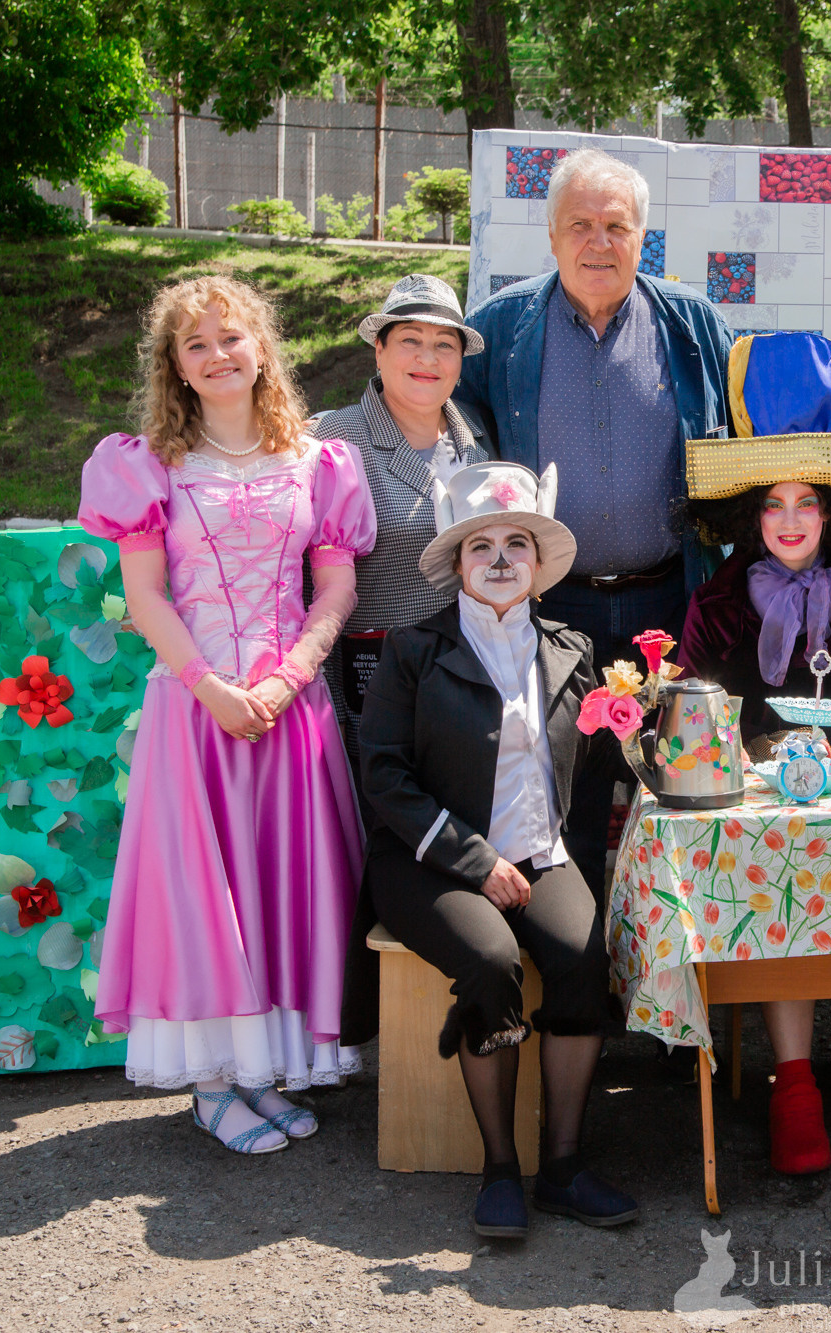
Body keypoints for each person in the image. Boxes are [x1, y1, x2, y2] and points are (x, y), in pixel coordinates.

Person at [77, 275, 376, 1154]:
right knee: (204, 898)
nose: (217, 355)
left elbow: (335, 587)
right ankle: (211, 1088)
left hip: (290, 707)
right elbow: (145, 596)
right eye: (196, 344)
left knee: (278, 887)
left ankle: (258, 1071)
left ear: (262, 349)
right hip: (195, 709)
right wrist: (211, 687)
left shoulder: (319, 463)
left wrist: (290, 679)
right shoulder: (147, 466)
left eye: (232, 337)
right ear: (175, 365)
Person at [359, 460, 637, 1239]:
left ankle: (564, 1166)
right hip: (430, 863)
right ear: (458, 563)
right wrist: (479, 863)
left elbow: (599, 760)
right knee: (491, 961)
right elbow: (382, 776)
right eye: (481, 545)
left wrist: (644, 732)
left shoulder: (572, 648)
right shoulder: (413, 651)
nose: (501, 558)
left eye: (517, 542)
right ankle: (500, 1168)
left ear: (539, 565)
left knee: (583, 956)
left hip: (540, 855)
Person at [677, 332, 831, 1173]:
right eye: (773, 505)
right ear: (751, 515)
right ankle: (793, 1078)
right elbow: (696, 714)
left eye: (807, 503)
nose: (790, 522)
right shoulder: (716, 602)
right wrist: (750, 751)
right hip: (761, 815)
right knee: (780, 883)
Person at [454, 147, 735, 896]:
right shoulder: (500, 328)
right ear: (552, 236)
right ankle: (575, 958)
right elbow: (452, 436)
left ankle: (672, 954)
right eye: (579, 225)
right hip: (550, 608)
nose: (598, 243)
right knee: (560, 798)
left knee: (676, 790)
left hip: (670, 603)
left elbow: (746, 446)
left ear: (643, 237)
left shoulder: (694, 325)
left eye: (617, 226)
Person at [310, 274, 491, 1052]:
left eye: (444, 344)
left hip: (457, 688)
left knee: (441, 839)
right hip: (360, 681)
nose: (427, 358)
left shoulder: (476, 441)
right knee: (361, 842)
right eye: (409, 340)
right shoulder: (331, 437)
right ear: (378, 349)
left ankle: (432, 1018)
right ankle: (348, 1028)